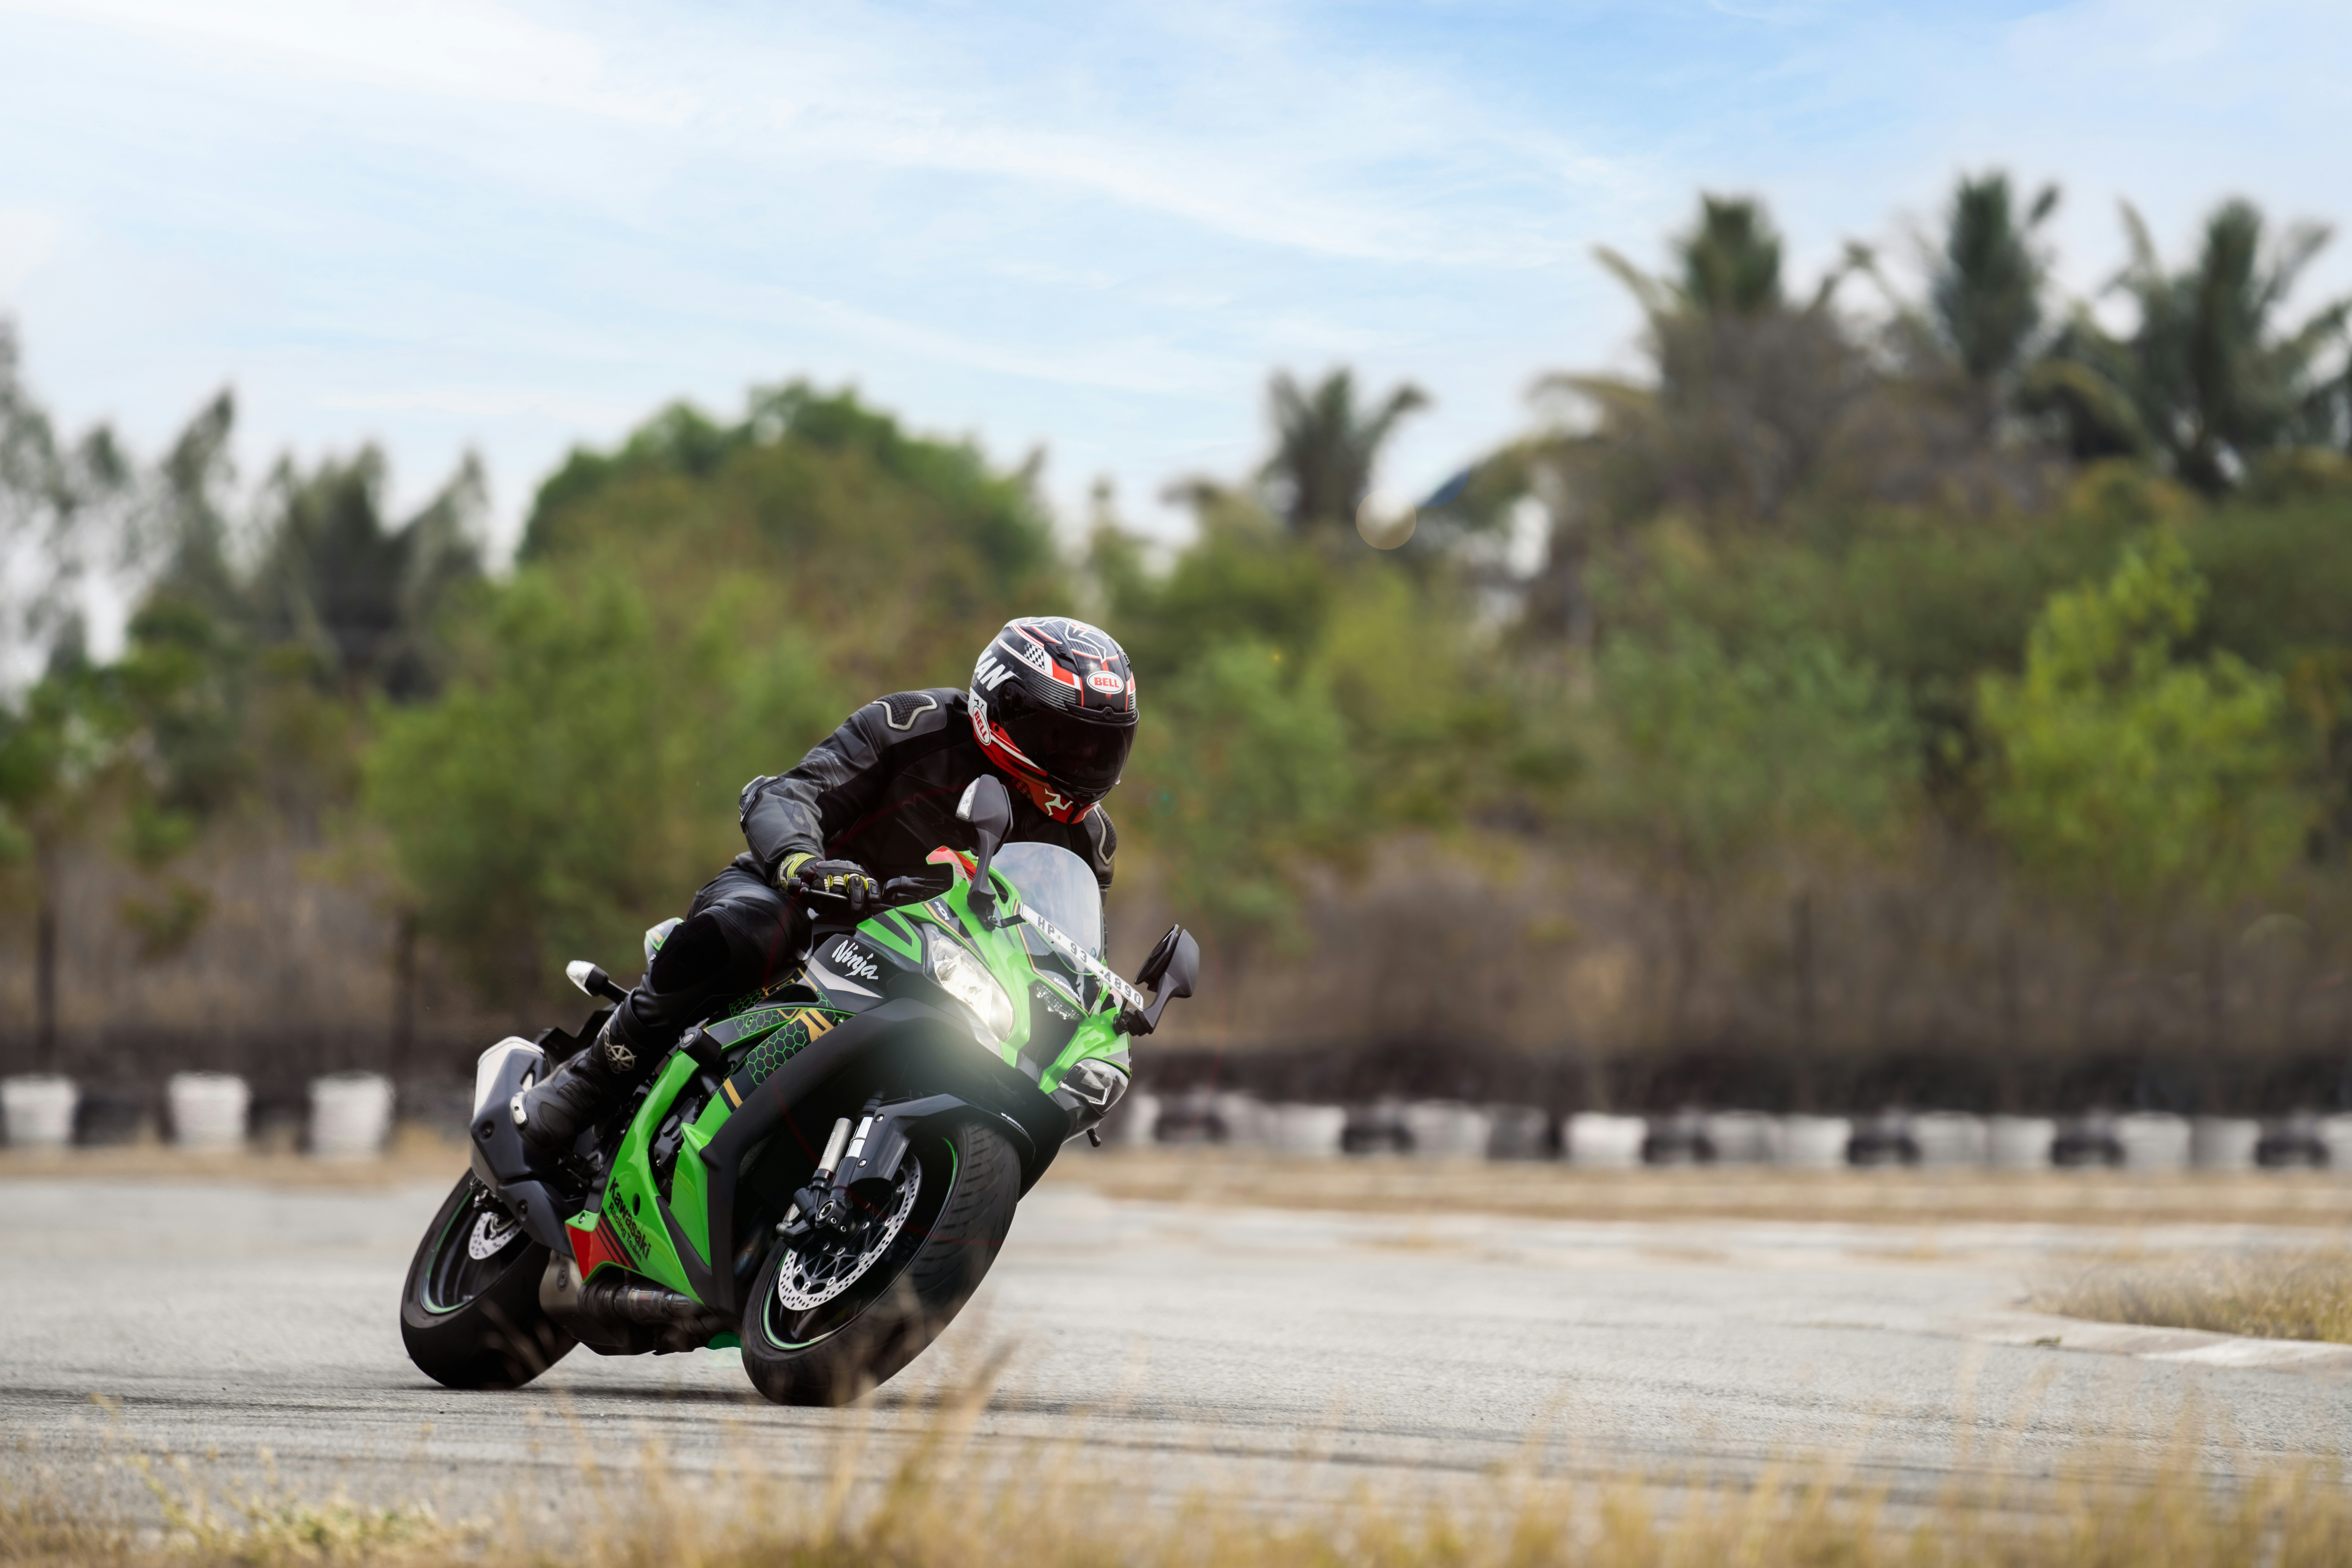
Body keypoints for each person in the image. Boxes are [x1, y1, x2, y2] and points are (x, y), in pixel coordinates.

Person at [512, 615, 1138, 1153]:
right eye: (1062, 738)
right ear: (1001, 707)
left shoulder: (1089, 839)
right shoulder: (914, 724)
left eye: (1098, 746)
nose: (1079, 763)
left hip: (938, 967)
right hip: (812, 910)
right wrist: (805, 863)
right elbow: (791, 793)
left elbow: (1063, 940)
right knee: (745, 933)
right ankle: (592, 1079)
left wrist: (1100, 1007)